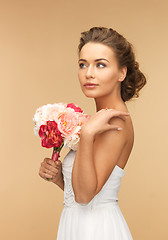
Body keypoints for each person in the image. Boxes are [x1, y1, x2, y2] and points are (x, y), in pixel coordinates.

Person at [39, 26, 146, 240]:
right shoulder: (100, 120)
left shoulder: (115, 122)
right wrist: (59, 178)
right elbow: (87, 190)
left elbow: (85, 196)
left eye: (100, 65)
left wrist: (86, 134)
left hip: (97, 229)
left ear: (122, 73)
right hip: (80, 224)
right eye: (83, 64)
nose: (89, 73)